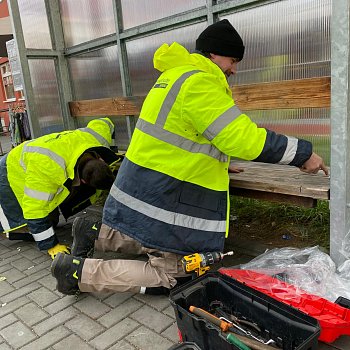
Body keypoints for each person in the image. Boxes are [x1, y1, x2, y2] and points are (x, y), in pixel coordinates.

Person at [51, 19, 328, 295]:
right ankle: (78, 274)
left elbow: (185, 136)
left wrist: (216, 161)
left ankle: (96, 231)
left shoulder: (176, 76)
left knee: (150, 234)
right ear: (213, 54)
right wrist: (303, 154)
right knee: (176, 275)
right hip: (166, 190)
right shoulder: (200, 82)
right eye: (233, 60)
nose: (234, 68)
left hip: (145, 183)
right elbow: (242, 138)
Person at [0, 117, 117, 259]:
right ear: (84, 181)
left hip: (38, 156)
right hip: (11, 171)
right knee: (19, 220)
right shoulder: (48, 169)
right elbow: (34, 210)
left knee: (51, 220)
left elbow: (104, 122)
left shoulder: (97, 140)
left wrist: (113, 147)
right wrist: (51, 245)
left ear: (100, 159)